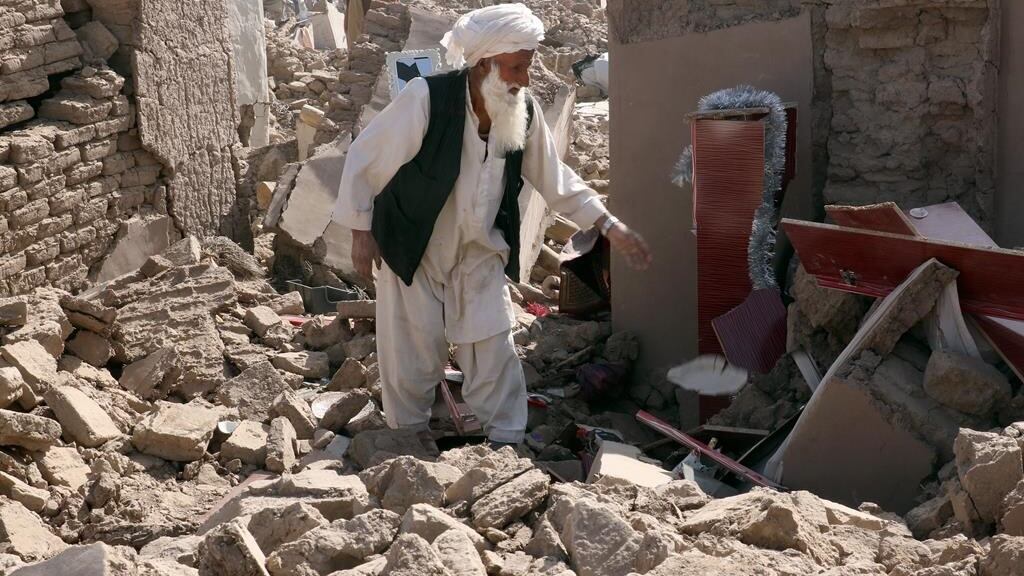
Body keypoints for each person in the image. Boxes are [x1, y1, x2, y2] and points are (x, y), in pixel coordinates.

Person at [332, 3, 651, 450]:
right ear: (485, 64)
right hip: (415, 246)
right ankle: (408, 440)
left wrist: (606, 223)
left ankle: (507, 445)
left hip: (480, 251)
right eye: (517, 67)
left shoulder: (523, 111)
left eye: (528, 66)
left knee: (493, 350)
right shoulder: (427, 98)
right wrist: (361, 232)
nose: (525, 79)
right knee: (412, 350)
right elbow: (366, 158)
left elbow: (554, 178)